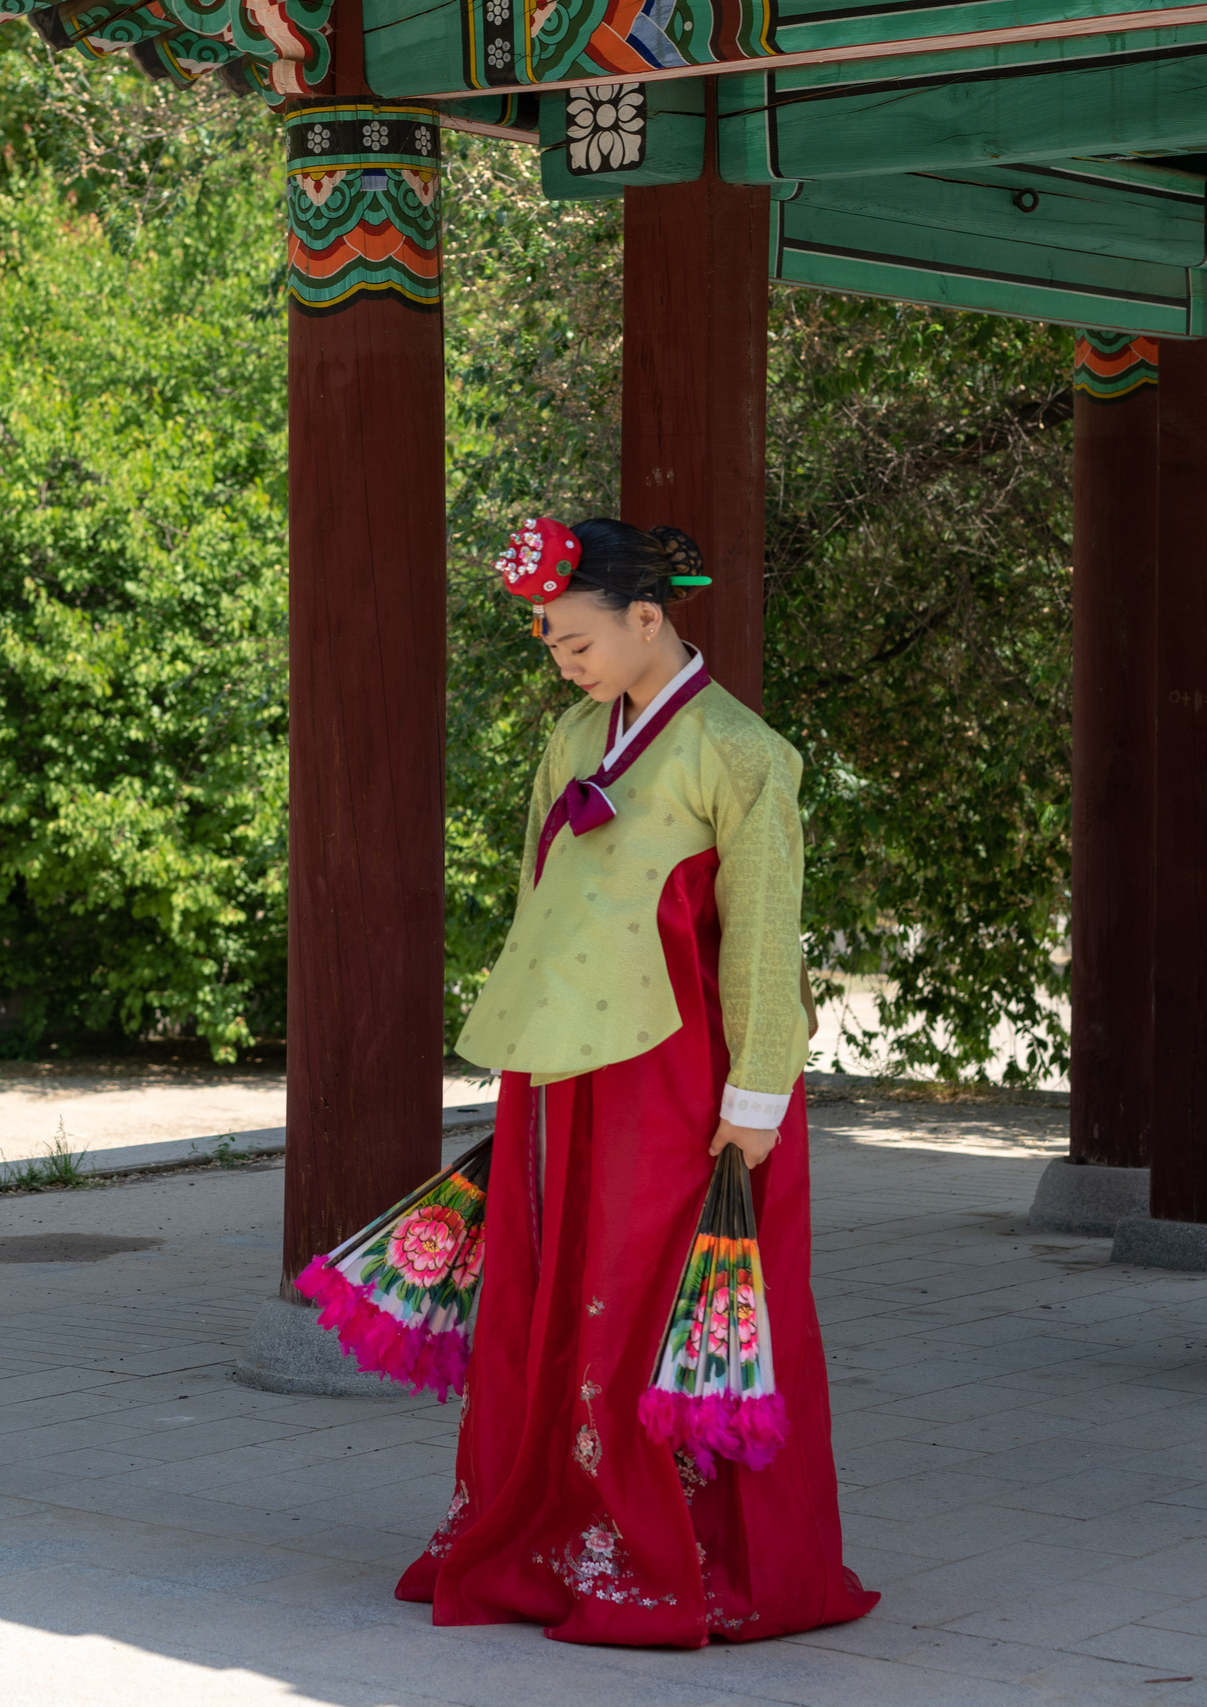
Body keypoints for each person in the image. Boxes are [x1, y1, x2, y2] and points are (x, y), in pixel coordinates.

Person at [397, 516, 878, 1645]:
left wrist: (754, 1097)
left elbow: (764, 940)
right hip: (565, 1077)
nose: (564, 664)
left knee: (655, 1302)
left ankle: (686, 1557)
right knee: (554, 1291)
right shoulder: (574, 736)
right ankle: (553, 1537)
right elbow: (538, 900)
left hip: (683, 1080)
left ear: (648, 618)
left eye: (575, 642)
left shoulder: (741, 752)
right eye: (555, 646)